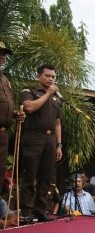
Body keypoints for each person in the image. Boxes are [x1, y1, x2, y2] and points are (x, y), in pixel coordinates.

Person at [20, 64, 63, 222]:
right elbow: (29, 108)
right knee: (30, 174)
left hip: (51, 139)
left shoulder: (56, 98)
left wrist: (59, 145)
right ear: (38, 76)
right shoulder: (29, 92)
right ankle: (26, 211)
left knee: (46, 176)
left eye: (53, 76)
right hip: (34, 137)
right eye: (47, 75)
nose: (51, 79)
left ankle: (41, 209)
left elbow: (58, 123)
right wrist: (47, 94)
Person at [0, 41, 26, 199]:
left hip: (3, 134)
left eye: (3, 54)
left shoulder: (5, 80)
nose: (2, 57)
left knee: (1, 170)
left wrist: (15, 114)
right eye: (0, 53)